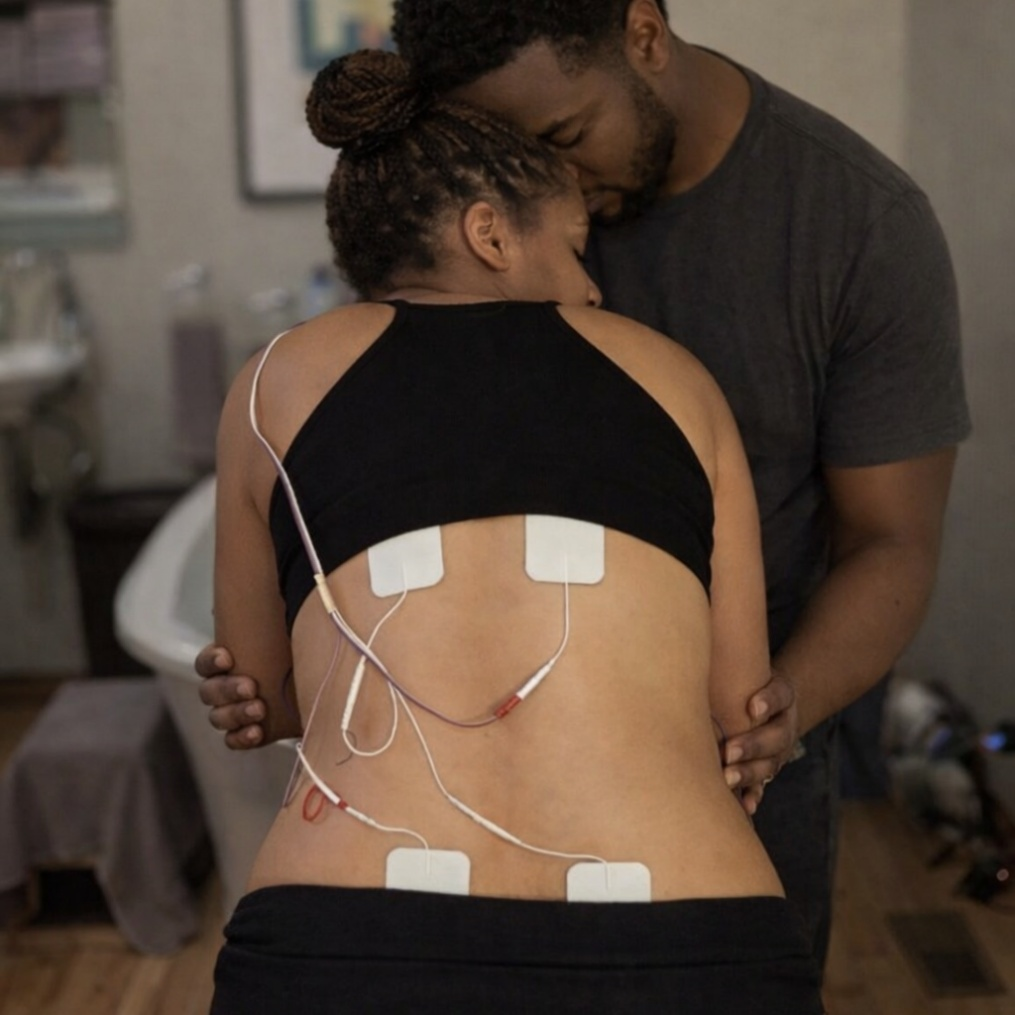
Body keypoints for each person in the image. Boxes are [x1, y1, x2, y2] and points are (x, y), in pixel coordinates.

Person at [200, 0, 971, 974]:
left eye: (562, 137)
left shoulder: (854, 225)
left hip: (754, 735)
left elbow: (890, 540)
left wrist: (780, 708)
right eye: (511, 150)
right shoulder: (562, 273)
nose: (565, 192)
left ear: (642, 36)